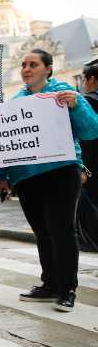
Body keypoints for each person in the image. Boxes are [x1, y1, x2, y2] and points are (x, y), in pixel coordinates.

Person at [0, 50, 98, 312]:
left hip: (61, 171)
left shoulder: (64, 93)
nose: (27, 69)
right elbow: (8, 143)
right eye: (24, 65)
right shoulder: (17, 101)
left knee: (62, 230)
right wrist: (2, 175)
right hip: (28, 176)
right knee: (41, 231)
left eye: (33, 64)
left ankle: (67, 289)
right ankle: (49, 283)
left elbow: (91, 129)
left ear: (48, 69)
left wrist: (76, 105)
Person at [76, 60, 98, 252]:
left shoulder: (86, 103)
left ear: (91, 79)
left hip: (92, 167)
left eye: (83, 79)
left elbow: (84, 139)